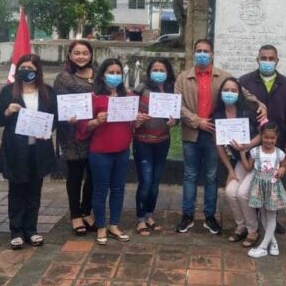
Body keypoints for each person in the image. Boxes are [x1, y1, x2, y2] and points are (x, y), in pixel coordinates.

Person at [175, 39, 266, 234]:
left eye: (205, 51)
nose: (202, 54)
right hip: (191, 132)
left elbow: (244, 93)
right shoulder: (183, 78)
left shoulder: (223, 76)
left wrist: (261, 105)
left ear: (212, 54)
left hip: (215, 133)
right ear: (193, 53)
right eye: (198, 50)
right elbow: (178, 105)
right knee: (190, 175)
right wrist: (196, 120)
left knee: (211, 175)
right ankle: (187, 214)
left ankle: (209, 215)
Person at [0, 54, 57, 250]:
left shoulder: (47, 92)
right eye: (23, 67)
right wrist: (7, 112)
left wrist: (47, 130)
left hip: (39, 149)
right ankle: (16, 231)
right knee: (17, 190)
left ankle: (31, 229)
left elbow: (54, 119)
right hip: (16, 149)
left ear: (37, 70)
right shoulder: (8, 91)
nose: (27, 71)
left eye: (31, 67)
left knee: (34, 191)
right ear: (17, 70)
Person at [239, 45, 286, 236]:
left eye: (270, 58)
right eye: (263, 58)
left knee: (274, 183)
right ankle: (254, 219)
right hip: (253, 142)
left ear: (277, 60)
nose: (267, 61)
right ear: (257, 60)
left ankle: (272, 218)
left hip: (277, 144)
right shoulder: (245, 82)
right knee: (255, 182)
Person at [78, 59, 133, 245]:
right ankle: (101, 225)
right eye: (111, 72)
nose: (115, 76)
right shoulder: (94, 97)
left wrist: (139, 120)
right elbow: (83, 126)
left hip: (123, 150)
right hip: (100, 151)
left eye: (118, 72)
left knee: (118, 189)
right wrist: (96, 121)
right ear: (102, 74)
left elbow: (133, 123)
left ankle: (114, 224)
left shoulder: (128, 97)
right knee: (101, 190)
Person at [53, 40, 96, 236]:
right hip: (72, 134)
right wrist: (67, 116)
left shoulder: (98, 75)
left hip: (95, 131)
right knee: (76, 175)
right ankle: (75, 215)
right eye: (77, 53)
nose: (81, 57)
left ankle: (87, 211)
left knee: (94, 174)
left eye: (85, 53)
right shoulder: (64, 78)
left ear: (91, 55)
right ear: (70, 55)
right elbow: (61, 105)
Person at [214, 78, 261, 247]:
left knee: (242, 193)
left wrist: (247, 145)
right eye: (226, 90)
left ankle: (253, 229)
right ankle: (241, 227)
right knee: (230, 191)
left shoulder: (248, 111)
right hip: (239, 162)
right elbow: (220, 145)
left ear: (239, 93)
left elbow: (264, 134)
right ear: (221, 93)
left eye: (234, 90)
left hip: (257, 159)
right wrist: (230, 171)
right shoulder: (218, 115)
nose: (230, 93)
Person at [133, 57, 177, 236]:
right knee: (146, 181)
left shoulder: (172, 91)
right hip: (143, 142)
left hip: (162, 142)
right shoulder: (141, 89)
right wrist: (136, 118)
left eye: (162, 70)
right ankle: (141, 219)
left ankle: (150, 215)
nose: (158, 73)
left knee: (155, 181)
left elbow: (176, 116)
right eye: (155, 69)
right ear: (150, 71)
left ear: (168, 73)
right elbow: (129, 111)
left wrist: (175, 121)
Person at [241, 122, 286, 258]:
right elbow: (248, 168)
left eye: (272, 138)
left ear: (277, 138)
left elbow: (284, 166)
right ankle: (273, 242)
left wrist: (282, 169)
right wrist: (241, 153)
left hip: (272, 188)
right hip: (258, 187)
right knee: (262, 214)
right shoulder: (255, 152)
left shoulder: (279, 154)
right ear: (261, 136)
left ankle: (263, 247)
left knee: (271, 215)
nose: (269, 141)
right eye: (266, 138)